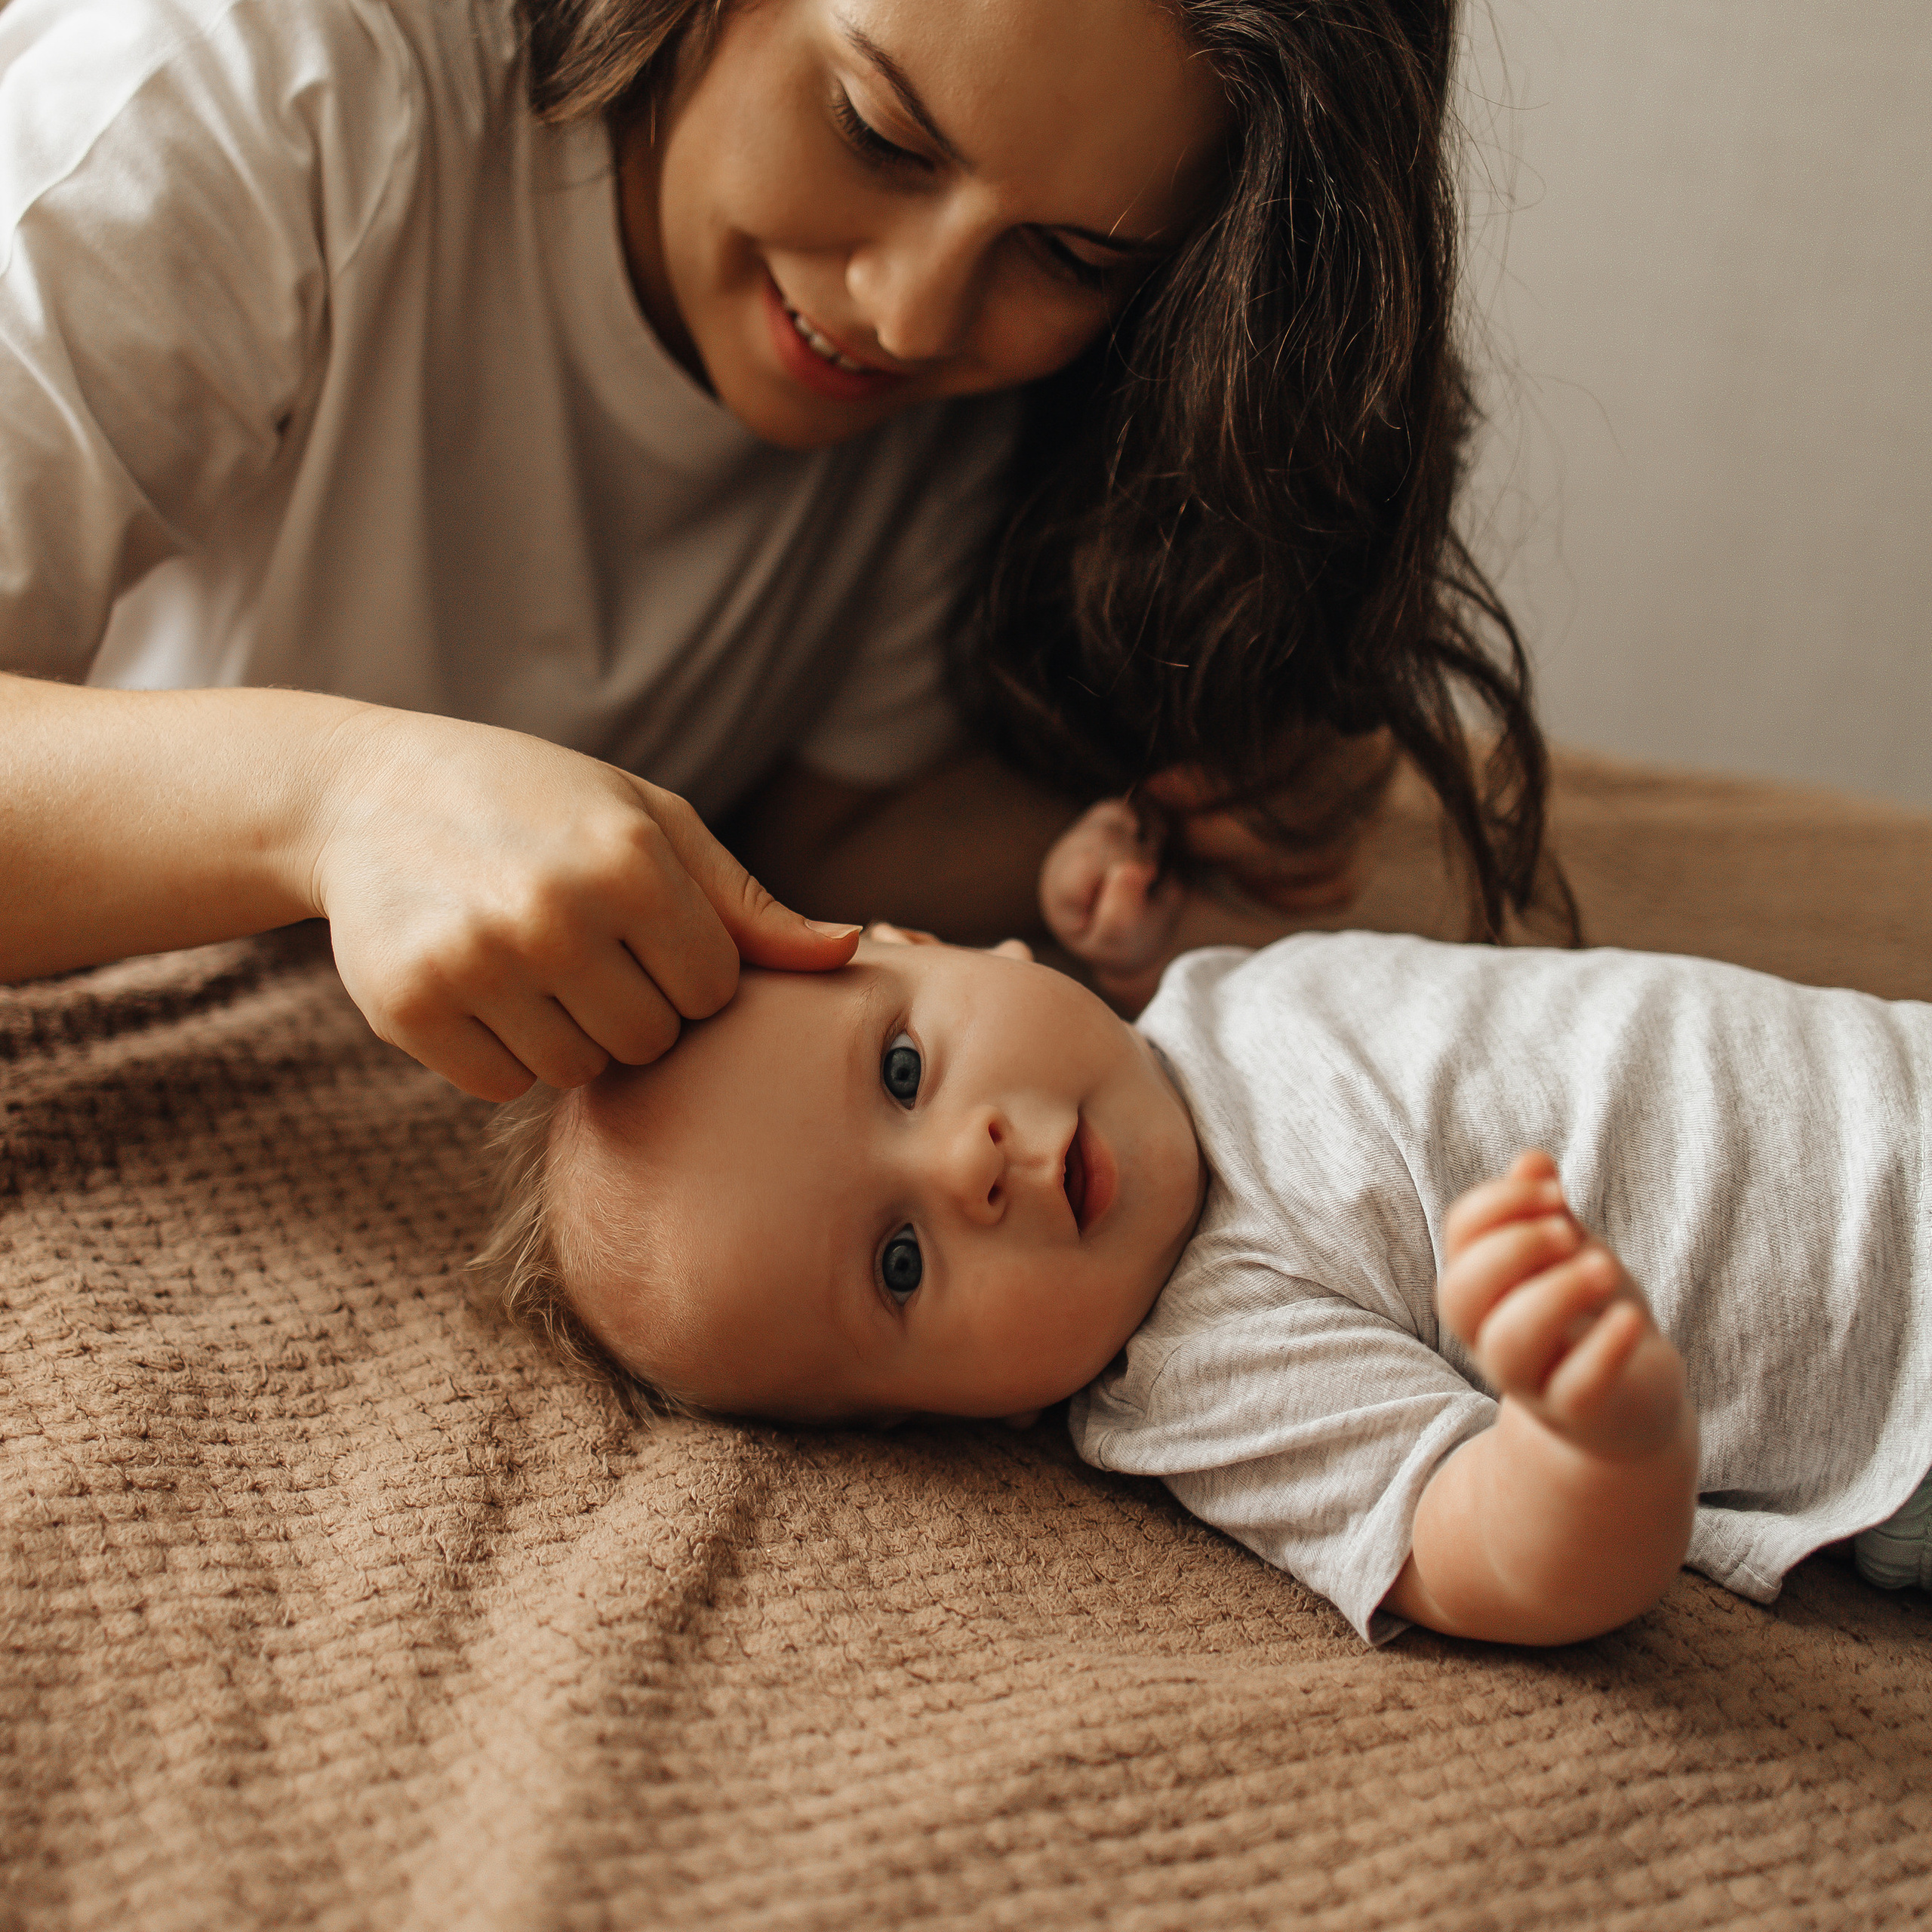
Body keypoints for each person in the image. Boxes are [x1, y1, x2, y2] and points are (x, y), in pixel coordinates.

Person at [0, 0, 1569, 1107]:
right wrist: (335, 798)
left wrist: (1152, 838)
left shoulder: (1004, 392)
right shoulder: (266, 87)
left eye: (1074, 257)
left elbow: (814, 833)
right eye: (876, 131)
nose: (911, 311)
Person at [469, 878, 1932, 1648]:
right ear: (945, 1415)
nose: (965, 1162)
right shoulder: (1202, 1358)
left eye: (903, 1064)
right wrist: (1589, 1436)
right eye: (900, 1263)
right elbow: (1488, 1554)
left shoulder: (1194, 1005)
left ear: (941, 947)